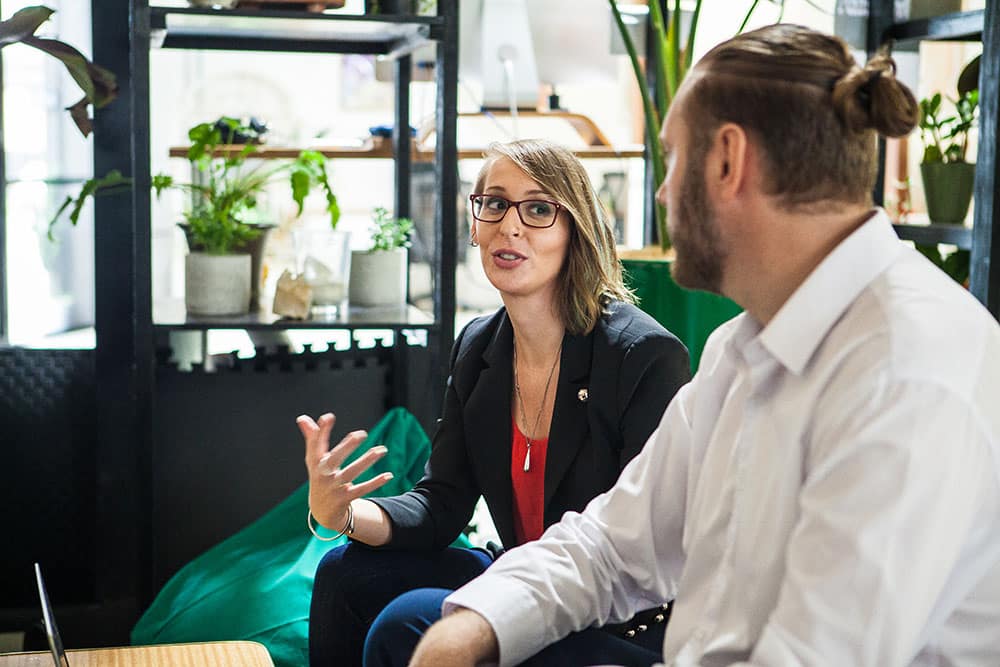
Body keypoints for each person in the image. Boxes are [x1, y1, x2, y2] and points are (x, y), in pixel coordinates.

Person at [368, 24, 1000, 667]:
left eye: (671, 160)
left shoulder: (908, 369)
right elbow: (614, 545)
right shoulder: (743, 345)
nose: (665, 194)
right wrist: (475, 626)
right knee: (416, 628)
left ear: (727, 160)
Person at [300, 138, 691, 667]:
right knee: (347, 572)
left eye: (538, 209)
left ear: (576, 229)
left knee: (411, 618)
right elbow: (441, 505)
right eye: (495, 203)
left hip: (618, 619)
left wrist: (498, 605)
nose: (510, 226)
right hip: (522, 576)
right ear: (475, 223)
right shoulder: (481, 345)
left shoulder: (642, 356)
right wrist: (344, 513)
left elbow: (639, 556)